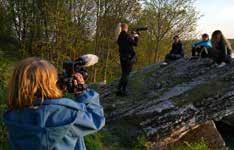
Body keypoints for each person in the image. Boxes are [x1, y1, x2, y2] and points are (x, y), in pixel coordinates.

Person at [3, 57, 105, 150]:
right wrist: (82, 92)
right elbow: (95, 118)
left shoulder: (12, 115)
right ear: (51, 84)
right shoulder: (66, 113)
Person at [116, 23, 139, 96]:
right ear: (126, 28)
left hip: (122, 57)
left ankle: (119, 89)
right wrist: (136, 37)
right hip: (128, 58)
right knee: (126, 74)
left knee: (124, 73)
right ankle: (123, 90)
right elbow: (135, 44)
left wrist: (131, 37)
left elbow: (126, 43)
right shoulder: (127, 36)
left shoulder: (119, 37)